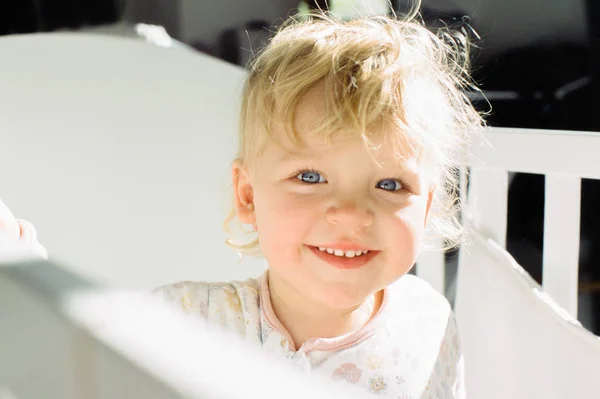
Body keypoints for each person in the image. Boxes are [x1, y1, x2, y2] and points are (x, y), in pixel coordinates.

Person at [0, 4, 484, 398]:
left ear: (428, 205)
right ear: (248, 196)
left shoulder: (431, 324)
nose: (351, 214)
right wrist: (24, 268)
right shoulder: (188, 318)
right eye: (310, 176)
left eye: (390, 185)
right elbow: (89, 358)